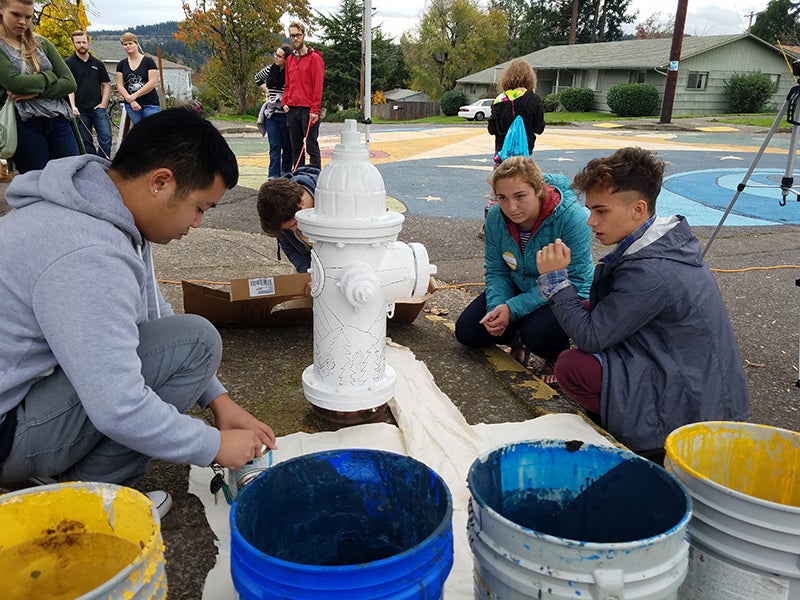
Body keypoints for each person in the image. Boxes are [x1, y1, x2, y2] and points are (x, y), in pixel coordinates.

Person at [0, 108, 277, 512]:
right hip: (7, 431)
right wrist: (213, 446)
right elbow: (118, 406)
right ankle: (86, 498)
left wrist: (220, 402)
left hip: (19, 396)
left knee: (195, 340)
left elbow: (153, 318)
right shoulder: (88, 252)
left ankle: (66, 478)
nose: (198, 223)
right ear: (161, 183)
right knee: (194, 343)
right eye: (200, 207)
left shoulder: (106, 208)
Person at [536, 147, 750, 459]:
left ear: (638, 209)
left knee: (572, 365)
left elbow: (592, 337)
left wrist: (556, 281)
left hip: (691, 404)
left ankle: (643, 439)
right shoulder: (663, 243)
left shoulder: (653, 270)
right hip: (692, 376)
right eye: (590, 210)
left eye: (601, 211)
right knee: (573, 314)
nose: (591, 221)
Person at [455, 156, 593, 383]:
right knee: (468, 332)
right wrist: (497, 308)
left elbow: (576, 278)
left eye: (520, 196)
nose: (512, 207)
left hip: (563, 292)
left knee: (538, 333)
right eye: (502, 198)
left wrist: (513, 308)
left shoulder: (572, 218)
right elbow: (497, 270)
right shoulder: (496, 218)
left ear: (538, 190)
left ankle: (555, 354)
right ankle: (517, 340)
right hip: (518, 286)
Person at [0, 0, 78, 174]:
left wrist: (34, 92)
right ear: (1, 9)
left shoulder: (41, 43)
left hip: (59, 120)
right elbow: (15, 83)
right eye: (16, 14)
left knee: (71, 176)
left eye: (28, 17)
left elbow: (70, 83)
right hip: (25, 124)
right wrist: (50, 76)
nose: (23, 22)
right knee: (38, 184)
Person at [257, 166, 319, 290]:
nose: (293, 230)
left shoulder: (335, 198)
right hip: (311, 265)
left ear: (300, 202)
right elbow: (292, 251)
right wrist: (310, 274)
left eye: (294, 224)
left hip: (346, 264)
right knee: (293, 304)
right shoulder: (282, 213)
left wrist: (324, 278)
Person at [487, 58, 545, 166]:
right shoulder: (535, 100)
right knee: (521, 181)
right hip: (523, 154)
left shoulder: (500, 100)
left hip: (502, 153)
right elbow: (539, 128)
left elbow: (491, 129)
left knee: (501, 181)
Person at [282, 21, 324, 170]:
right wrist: (285, 102)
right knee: (296, 147)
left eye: (298, 35)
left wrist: (315, 109)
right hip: (292, 109)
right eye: (292, 35)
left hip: (308, 109)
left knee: (311, 146)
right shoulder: (290, 60)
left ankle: (314, 177)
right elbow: (287, 84)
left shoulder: (315, 59)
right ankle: (298, 179)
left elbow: (318, 86)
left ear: (304, 35)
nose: (295, 39)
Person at [66, 30, 112, 159]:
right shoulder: (68, 64)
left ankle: (104, 163)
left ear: (88, 43)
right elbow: (69, 87)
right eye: (78, 42)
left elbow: (106, 84)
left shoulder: (97, 63)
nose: (81, 45)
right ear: (73, 44)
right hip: (80, 111)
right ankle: (93, 165)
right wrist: (73, 106)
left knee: (106, 137)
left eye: (84, 42)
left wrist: (103, 103)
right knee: (86, 141)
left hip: (98, 108)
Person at [255, 44, 293, 179]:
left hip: (285, 113)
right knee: (274, 146)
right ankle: (273, 176)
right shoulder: (270, 69)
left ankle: (286, 172)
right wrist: (267, 90)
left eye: (279, 56)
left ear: (286, 59)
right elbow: (257, 78)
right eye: (275, 55)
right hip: (271, 114)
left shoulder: (290, 71)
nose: (276, 58)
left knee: (287, 146)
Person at [115, 31, 160, 125]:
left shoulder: (148, 61)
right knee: (140, 131)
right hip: (131, 105)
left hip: (150, 103)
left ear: (136, 44)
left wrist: (134, 96)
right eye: (125, 44)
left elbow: (152, 82)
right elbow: (120, 85)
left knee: (153, 129)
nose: (128, 46)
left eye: (130, 43)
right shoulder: (121, 64)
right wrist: (131, 100)